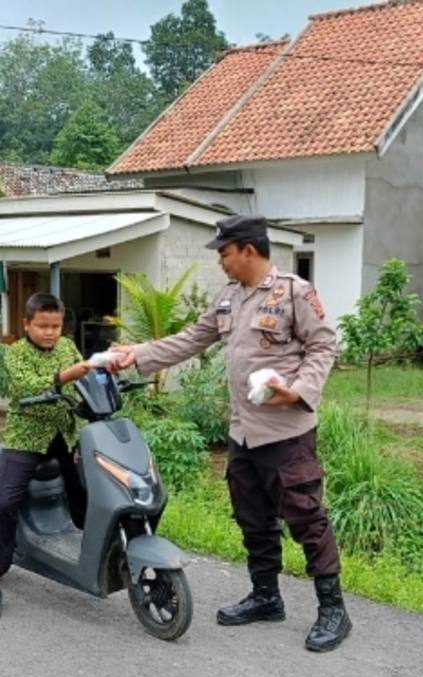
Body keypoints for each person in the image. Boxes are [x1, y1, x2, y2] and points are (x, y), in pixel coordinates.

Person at [108, 214, 351, 652]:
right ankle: (265, 596)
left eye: (224, 252)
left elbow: (323, 345)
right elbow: (190, 340)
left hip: (287, 433)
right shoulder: (228, 299)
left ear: (249, 250)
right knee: (252, 518)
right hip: (244, 433)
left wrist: (297, 392)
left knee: (306, 517)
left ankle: (333, 609)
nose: (221, 261)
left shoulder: (294, 292)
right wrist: (137, 354)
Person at [0, 292, 90, 622]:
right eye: (42, 326)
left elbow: (86, 377)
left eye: (55, 325)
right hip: (25, 438)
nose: (50, 332)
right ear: (27, 324)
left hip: (63, 433)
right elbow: (29, 387)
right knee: (6, 503)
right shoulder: (16, 353)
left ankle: (86, 555)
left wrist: (103, 373)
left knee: (84, 490)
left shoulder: (67, 347)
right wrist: (69, 374)